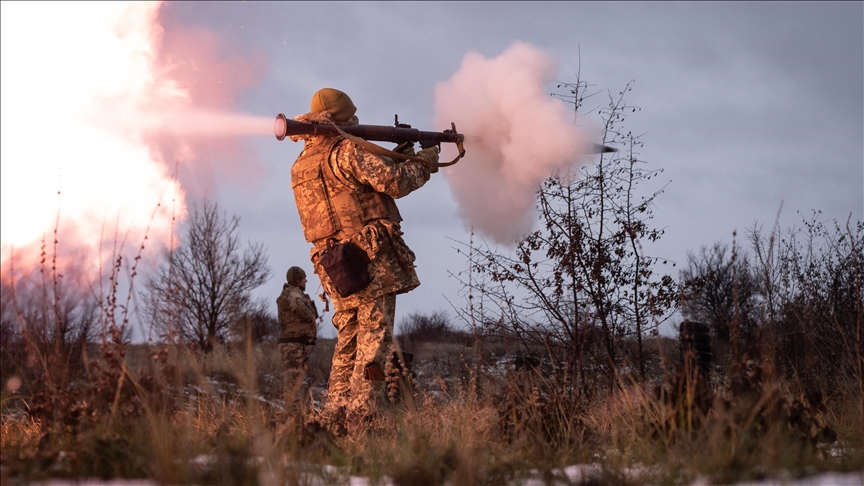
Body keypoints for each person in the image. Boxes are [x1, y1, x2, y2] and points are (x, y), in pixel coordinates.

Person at [288, 88, 438, 435]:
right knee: (375, 341)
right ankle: (364, 419)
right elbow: (396, 183)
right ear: (345, 118)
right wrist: (426, 161)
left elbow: (350, 192)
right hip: (369, 259)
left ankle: (334, 417)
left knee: (349, 340)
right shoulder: (347, 150)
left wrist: (394, 156)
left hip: (332, 263)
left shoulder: (301, 165)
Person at [275, 266, 318, 424]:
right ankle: (292, 422)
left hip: (294, 344)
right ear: (298, 279)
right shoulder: (293, 293)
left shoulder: (292, 293)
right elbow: (303, 311)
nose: (307, 280)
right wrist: (311, 313)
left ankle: (295, 420)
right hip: (292, 345)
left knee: (295, 383)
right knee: (293, 385)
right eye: (304, 278)